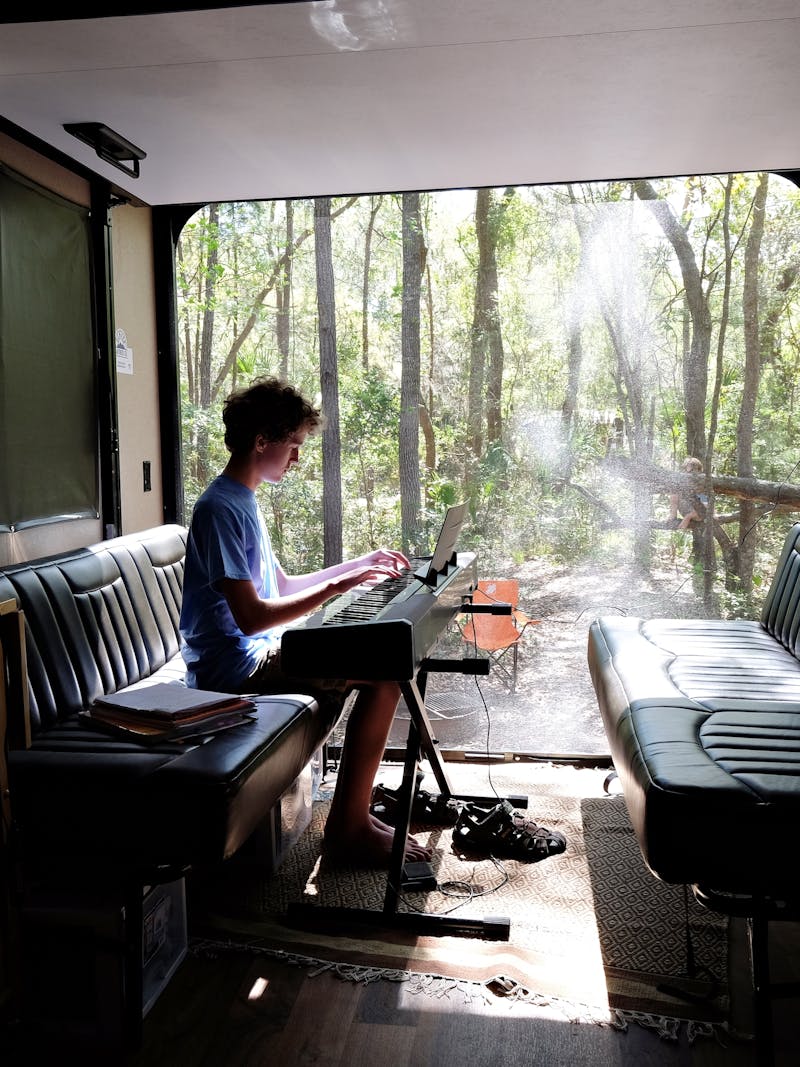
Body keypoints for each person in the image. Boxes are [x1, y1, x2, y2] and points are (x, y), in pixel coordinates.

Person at [179, 376, 431, 868]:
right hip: (233, 671)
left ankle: (353, 816)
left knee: (384, 665)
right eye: (292, 445)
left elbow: (284, 586)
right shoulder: (218, 509)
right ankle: (348, 827)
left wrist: (357, 566)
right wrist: (338, 589)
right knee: (384, 675)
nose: (297, 457)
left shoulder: (243, 499)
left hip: (255, 655)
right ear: (261, 442)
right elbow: (251, 618)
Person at [668, 456, 708, 530]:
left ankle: (685, 516)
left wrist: (689, 516)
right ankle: (674, 516)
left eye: (694, 470)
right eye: (690, 470)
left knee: (674, 494)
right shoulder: (684, 483)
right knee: (675, 493)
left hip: (699, 514)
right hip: (694, 512)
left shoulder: (699, 483)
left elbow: (704, 501)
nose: (692, 473)